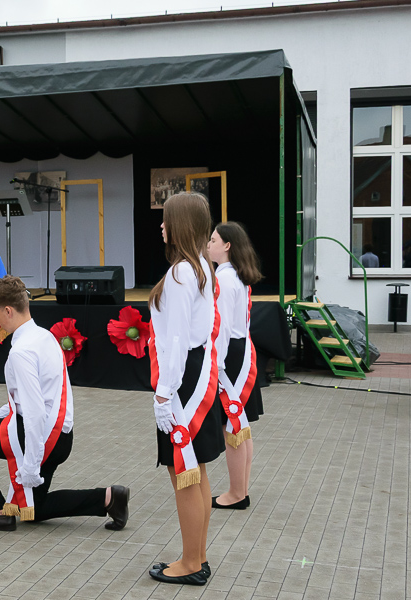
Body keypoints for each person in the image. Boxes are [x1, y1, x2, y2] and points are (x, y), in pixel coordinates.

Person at [0, 275, 129, 531]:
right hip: (61, 436)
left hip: (39, 436)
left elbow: (32, 412)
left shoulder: (21, 352)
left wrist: (31, 465)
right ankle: (108, 498)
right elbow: (33, 401)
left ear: (8, 310)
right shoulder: (44, 336)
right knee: (35, 509)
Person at [147, 192, 224, 586]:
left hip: (182, 381)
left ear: (182, 225)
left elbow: (174, 343)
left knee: (184, 474)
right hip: (196, 375)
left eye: (166, 219)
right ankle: (197, 554)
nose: (161, 225)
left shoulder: (180, 273)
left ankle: (191, 563)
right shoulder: (201, 268)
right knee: (197, 472)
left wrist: (163, 395)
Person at [208, 222, 264, 511]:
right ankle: (240, 489)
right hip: (241, 350)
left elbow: (222, 328)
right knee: (240, 427)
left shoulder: (224, 278)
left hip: (230, 355)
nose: (209, 243)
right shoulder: (235, 276)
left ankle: (235, 493)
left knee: (233, 425)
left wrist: (215, 366)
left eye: (213, 239)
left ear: (227, 246)